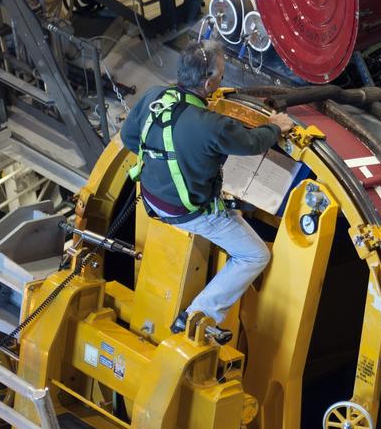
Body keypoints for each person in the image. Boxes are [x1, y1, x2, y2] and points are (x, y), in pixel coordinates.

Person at [120, 41, 293, 338]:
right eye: (221, 75)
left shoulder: (154, 96)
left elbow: (128, 137)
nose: (221, 80)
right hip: (187, 212)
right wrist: (275, 126)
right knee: (254, 255)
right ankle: (200, 315)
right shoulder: (212, 126)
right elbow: (253, 143)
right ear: (209, 81)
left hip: (151, 196)